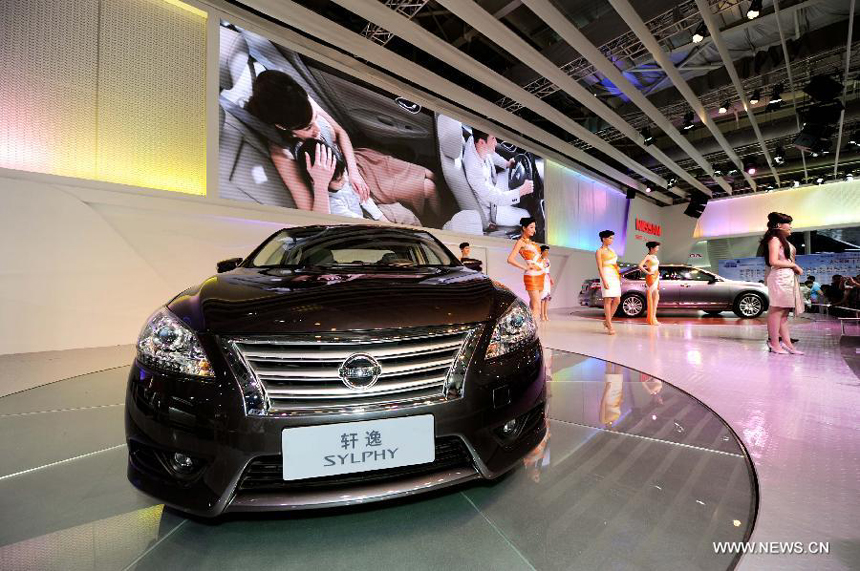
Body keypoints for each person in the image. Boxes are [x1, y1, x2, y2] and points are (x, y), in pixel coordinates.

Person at [246, 70, 441, 223]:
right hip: (337, 187)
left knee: (430, 176)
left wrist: (354, 173)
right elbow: (314, 220)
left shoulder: (304, 104)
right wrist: (322, 184)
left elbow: (340, 133)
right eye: (307, 128)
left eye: (315, 120)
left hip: (356, 166)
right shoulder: (283, 154)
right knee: (428, 187)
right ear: (283, 127)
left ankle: (440, 217)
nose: (317, 130)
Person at [295, 139, 415, 224]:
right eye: (339, 179)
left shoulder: (342, 174)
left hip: (366, 214)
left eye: (344, 174)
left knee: (405, 214)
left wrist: (381, 217)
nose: (345, 180)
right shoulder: (333, 203)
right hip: (360, 225)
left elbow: (363, 198)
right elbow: (359, 222)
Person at [463, 128, 534, 227]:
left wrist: (506, 163)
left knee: (510, 172)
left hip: (494, 184)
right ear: (482, 142)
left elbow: (490, 153)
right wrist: (521, 191)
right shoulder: (474, 170)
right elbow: (497, 198)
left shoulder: (473, 140)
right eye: (493, 139)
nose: (496, 143)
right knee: (527, 217)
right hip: (494, 209)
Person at [757, 212, 804, 355]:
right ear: (778, 225)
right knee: (776, 311)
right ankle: (774, 343)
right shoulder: (774, 239)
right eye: (788, 223)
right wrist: (793, 266)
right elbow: (773, 261)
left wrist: (792, 267)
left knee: (783, 313)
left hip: (787, 278)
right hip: (779, 278)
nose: (790, 226)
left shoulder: (783, 241)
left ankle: (787, 344)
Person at [506, 217, 543, 319]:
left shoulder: (532, 243)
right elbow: (510, 259)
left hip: (541, 274)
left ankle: (528, 329)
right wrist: (525, 267)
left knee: (533, 305)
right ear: (524, 228)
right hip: (532, 275)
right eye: (531, 227)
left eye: (534, 227)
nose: (534, 230)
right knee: (537, 307)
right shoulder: (520, 242)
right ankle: (534, 332)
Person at [596, 230, 621, 334]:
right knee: (608, 300)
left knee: (617, 300)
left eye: (613, 238)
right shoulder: (599, 251)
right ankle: (609, 325)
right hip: (606, 274)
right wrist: (604, 280)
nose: (612, 240)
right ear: (604, 238)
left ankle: (607, 321)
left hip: (614, 274)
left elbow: (615, 263)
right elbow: (600, 267)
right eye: (610, 238)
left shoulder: (612, 250)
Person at [637, 241, 661, 326]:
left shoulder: (654, 257)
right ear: (652, 248)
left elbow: (654, 266)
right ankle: (652, 319)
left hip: (656, 277)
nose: (658, 249)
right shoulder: (648, 256)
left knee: (656, 297)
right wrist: (648, 272)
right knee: (652, 297)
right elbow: (640, 265)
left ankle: (653, 317)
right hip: (651, 278)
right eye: (656, 247)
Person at [539, 245, 554, 322]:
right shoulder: (539, 260)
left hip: (547, 279)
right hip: (541, 279)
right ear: (541, 251)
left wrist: (550, 278)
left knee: (547, 298)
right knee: (542, 298)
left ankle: (546, 314)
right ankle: (542, 315)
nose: (547, 253)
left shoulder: (548, 260)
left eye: (548, 251)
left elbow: (548, 271)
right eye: (545, 251)